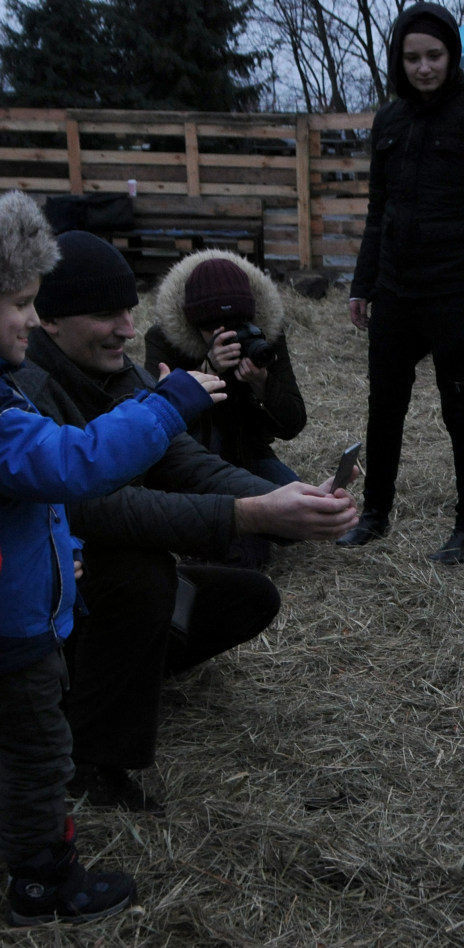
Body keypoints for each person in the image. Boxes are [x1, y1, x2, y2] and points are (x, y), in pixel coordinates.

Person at [18, 230, 358, 813]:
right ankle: (91, 762)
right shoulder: (26, 389)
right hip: (37, 590)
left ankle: (108, 680)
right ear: (47, 320)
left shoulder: (120, 371)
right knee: (137, 572)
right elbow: (92, 508)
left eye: (130, 309)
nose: (127, 328)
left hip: (71, 591)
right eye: (106, 314)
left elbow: (182, 459)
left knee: (249, 597)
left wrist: (286, 499)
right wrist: (247, 514)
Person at [0, 191, 223, 923]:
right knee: (39, 758)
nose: (29, 320)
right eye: (21, 302)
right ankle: (43, 883)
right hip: (16, 631)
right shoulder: (10, 410)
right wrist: (170, 403)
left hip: (36, 609)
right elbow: (78, 467)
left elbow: (42, 509)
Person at [339, 2, 464, 565]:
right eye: (412, 57)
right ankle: (374, 514)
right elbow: (377, 212)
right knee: (383, 406)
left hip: (455, 293)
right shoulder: (388, 122)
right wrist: (361, 284)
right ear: (399, 59)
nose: (423, 67)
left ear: (452, 56)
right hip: (396, 290)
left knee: (460, 410)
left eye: (434, 56)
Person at [145, 250, 306, 486]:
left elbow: (292, 424)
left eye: (236, 325)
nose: (227, 336)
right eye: (213, 328)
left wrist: (262, 384)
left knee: (301, 507)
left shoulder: (263, 337)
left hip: (250, 453)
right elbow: (151, 427)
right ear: (192, 323)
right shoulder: (164, 340)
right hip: (188, 460)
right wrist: (205, 372)